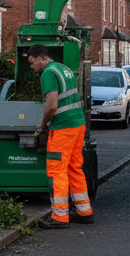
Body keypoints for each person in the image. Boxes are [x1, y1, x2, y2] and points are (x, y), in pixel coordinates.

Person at [28, 45, 93, 229]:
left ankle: (60, 216)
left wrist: (42, 125)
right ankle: (84, 211)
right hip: (78, 124)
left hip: (63, 127)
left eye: (32, 63)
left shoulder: (48, 73)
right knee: (74, 167)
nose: (31, 67)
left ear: (41, 57)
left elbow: (52, 105)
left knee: (57, 170)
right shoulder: (63, 68)